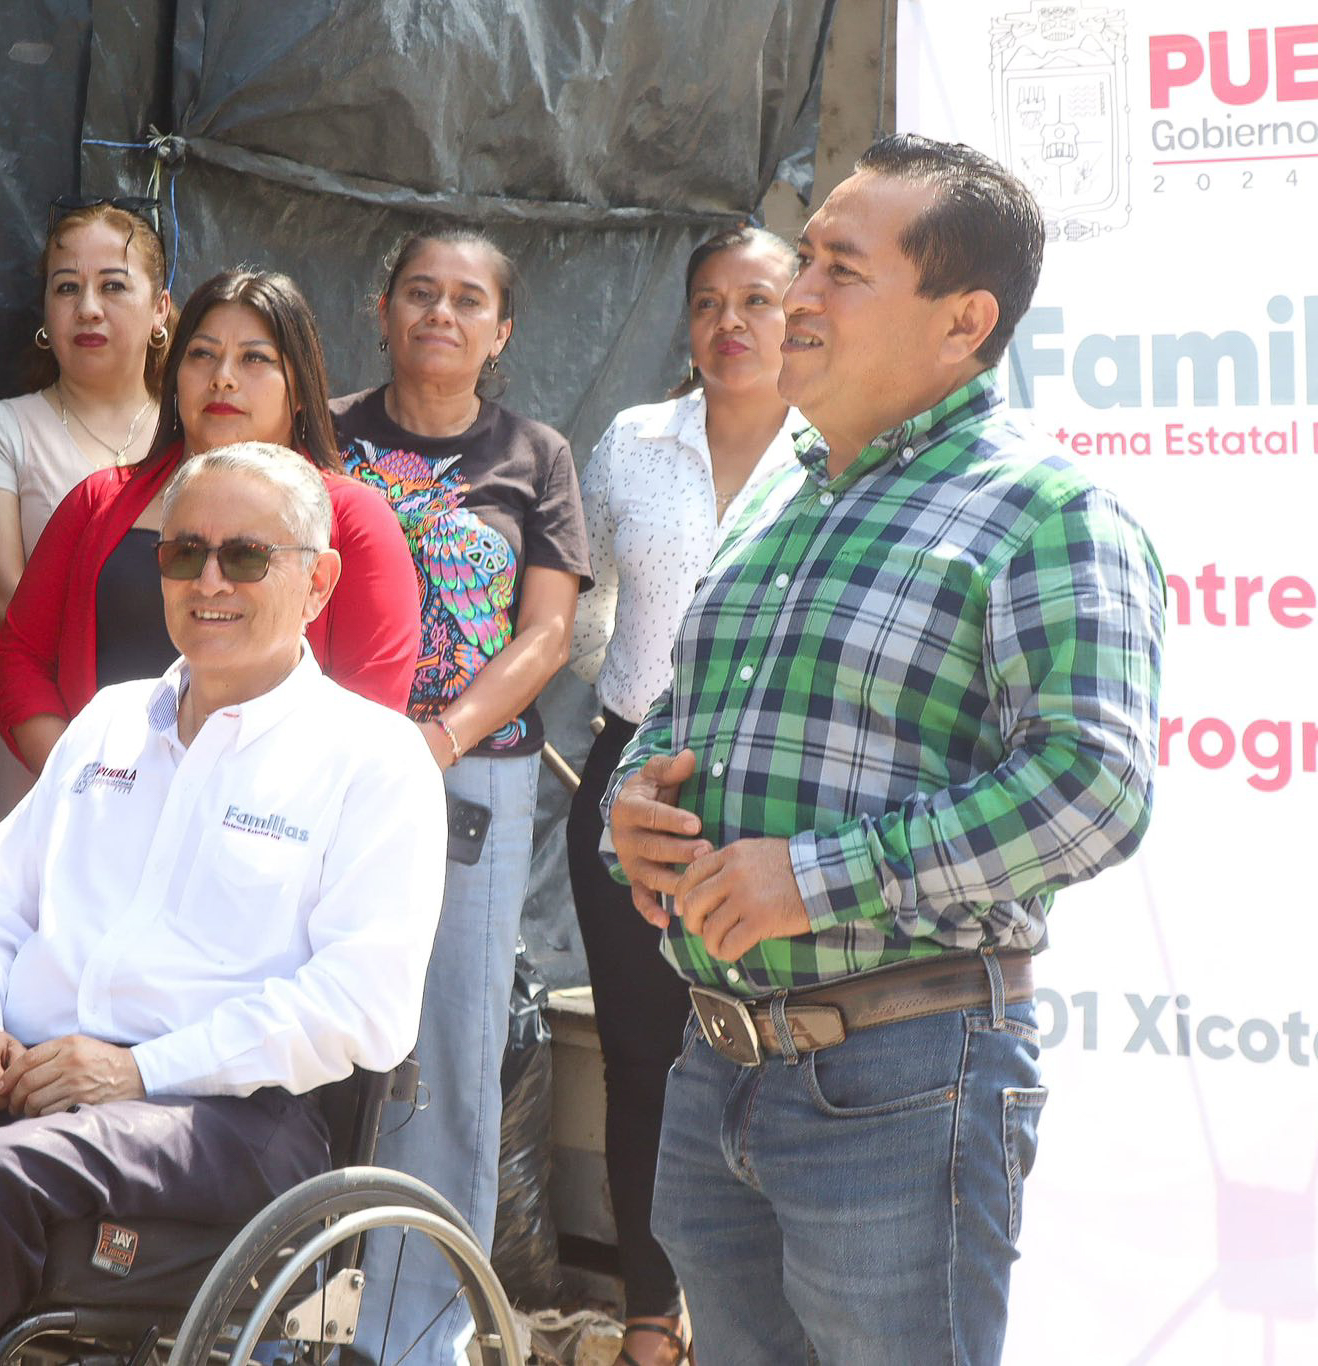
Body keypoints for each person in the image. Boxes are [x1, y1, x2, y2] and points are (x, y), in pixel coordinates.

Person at [606, 135, 1165, 1365]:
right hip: (717, 1063)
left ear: (963, 321)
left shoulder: (1046, 510)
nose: (794, 294)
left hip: (902, 1082)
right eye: (804, 257)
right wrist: (630, 811)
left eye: (838, 270)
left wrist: (811, 879)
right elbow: (678, 716)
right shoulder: (779, 490)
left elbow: (1093, 788)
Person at [0, 443, 446, 1366]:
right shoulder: (109, 721)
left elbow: (362, 1007)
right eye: (184, 552)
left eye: (245, 556)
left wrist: (140, 1071)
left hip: (232, 1117)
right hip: (33, 1086)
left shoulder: (374, 758)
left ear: (319, 581)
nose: (208, 581)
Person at [332, 226, 589, 1364]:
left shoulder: (534, 455)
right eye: (420, 292)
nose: (441, 312)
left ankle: (416, 1339)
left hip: (468, 776)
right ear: (383, 309)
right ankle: (287, 1316)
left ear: (502, 332)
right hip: (324, 769)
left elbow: (546, 635)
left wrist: (437, 738)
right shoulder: (324, 434)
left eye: (468, 299)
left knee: (445, 1046)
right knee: (309, 1037)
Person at [563, 224, 811, 1366]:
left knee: (783, 1057)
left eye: (755, 300)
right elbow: (586, 594)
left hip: (786, 791)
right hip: (636, 784)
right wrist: (630, 694)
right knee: (642, 1056)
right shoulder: (633, 441)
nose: (729, 323)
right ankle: (650, 1315)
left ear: (798, 310)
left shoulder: (836, 447)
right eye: (708, 302)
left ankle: (771, 1319)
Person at [0, 267, 418, 773]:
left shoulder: (354, 520)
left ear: (302, 388)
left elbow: (370, 704)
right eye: (202, 354)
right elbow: (22, 657)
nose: (223, 377)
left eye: (255, 358)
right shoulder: (96, 503)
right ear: (174, 377)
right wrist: (87, 782)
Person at [0, 200, 173, 835]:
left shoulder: (195, 430)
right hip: (37, 732)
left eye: (114, 286)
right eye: (67, 288)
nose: (88, 308)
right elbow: (0, 596)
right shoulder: (3, 428)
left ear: (161, 310)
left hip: (182, 730)